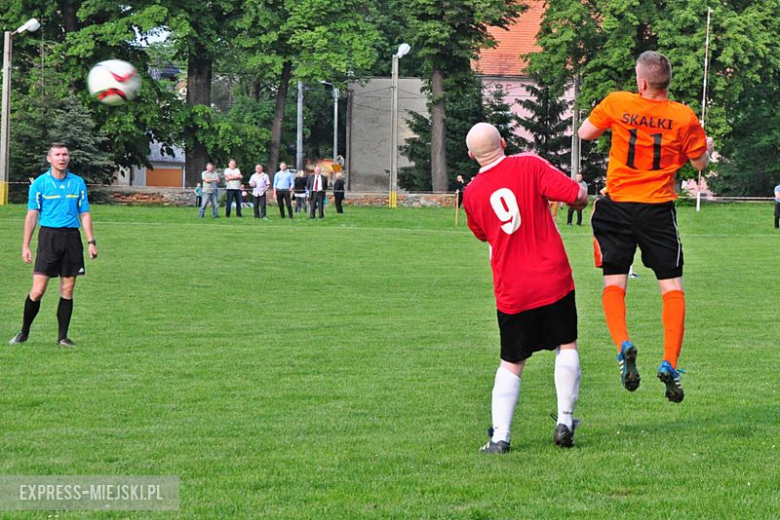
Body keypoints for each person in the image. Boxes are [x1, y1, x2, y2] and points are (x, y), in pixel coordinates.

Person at [578, 51, 714, 403]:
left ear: (641, 82)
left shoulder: (617, 102)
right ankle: (669, 361)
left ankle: (623, 343)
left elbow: (586, 133)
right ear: (666, 83)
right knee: (671, 287)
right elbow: (699, 163)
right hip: (657, 209)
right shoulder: (683, 116)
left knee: (614, 281)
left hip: (617, 205)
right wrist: (706, 149)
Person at [463, 123, 588, 452]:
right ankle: (564, 418)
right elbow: (575, 195)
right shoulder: (530, 165)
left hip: (512, 288)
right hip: (552, 278)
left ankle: (500, 437)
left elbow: (482, 234)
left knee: (512, 361)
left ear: (471, 155)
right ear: (504, 142)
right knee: (567, 344)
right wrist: (583, 191)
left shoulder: (472, 193)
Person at [9, 143, 98, 348]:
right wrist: (25, 246)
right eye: (57, 154)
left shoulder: (77, 183)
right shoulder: (40, 184)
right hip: (48, 238)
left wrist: (91, 241)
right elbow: (32, 216)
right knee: (38, 290)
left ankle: (63, 337)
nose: (62, 158)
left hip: (71, 239)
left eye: (65, 154)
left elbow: (84, 213)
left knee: (67, 289)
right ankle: (24, 332)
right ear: (49, 159)